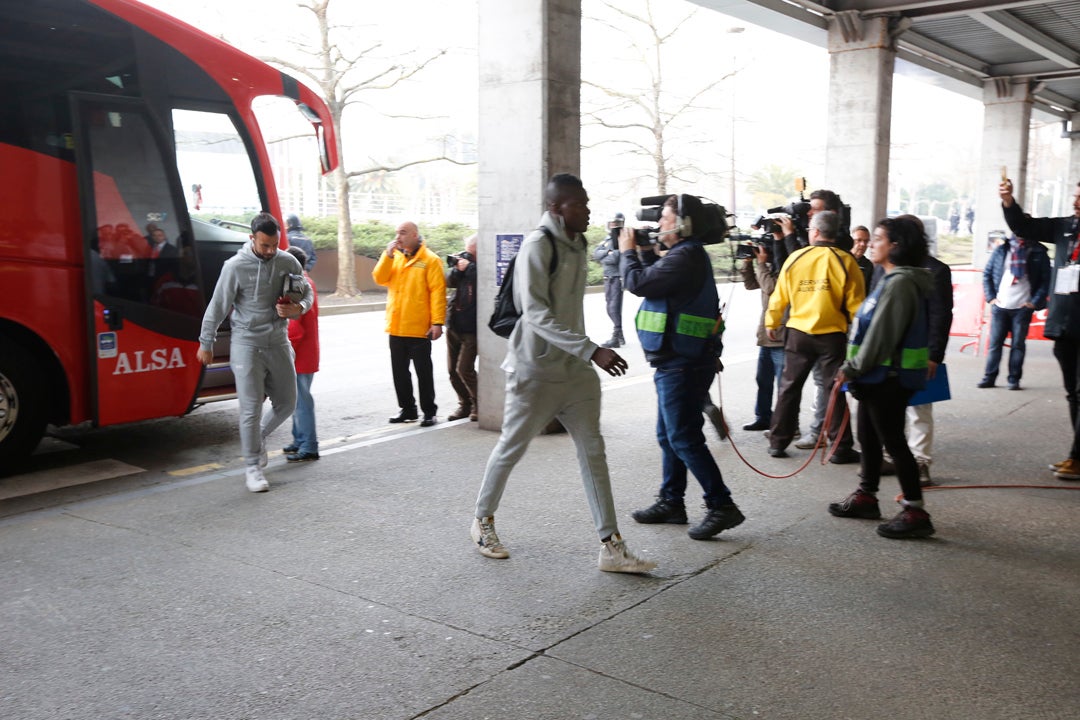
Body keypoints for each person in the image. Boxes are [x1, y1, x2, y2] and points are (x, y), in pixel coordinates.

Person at [470, 173, 657, 574]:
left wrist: (584, 354)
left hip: (575, 372)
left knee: (594, 452)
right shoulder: (538, 245)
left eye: (588, 203)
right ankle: (482, 520)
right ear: (556, 207)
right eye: (580, 204)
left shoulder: (578, 242)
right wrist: (593, 350)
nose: (588, 210)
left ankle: (612, 546)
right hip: (535, 370)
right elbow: (535, 313)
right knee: (512, 448)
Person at [620, 195, 746, 540]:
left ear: (684, 224)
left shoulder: (686, 255)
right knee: (669, 435)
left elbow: (638, 283)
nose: (659, 223)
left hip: (682, 363)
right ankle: (671, 501)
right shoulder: (682, 256)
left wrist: (628, 251)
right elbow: (655, 280)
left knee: (683, 436)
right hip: (678, 360)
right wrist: (645, 252)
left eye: (665, 217)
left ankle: (721, 505)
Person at [829, 216, 935, 539]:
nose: (871, 244)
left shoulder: (901, 283)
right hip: (876, 376)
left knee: (893, 441)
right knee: (869, 436)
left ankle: (915, 511)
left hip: (887, 377)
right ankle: (866, 496)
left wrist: (853, 367)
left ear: (896, 246)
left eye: (877, 239)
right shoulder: (887, 278)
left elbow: (881, 335)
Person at [197, 212, 313, 493]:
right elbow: (218, 305)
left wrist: (299, 308)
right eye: (265, 245)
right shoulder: (235, 266)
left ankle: (256, 438)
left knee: (287, 402)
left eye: (274, 245)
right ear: (252, 239)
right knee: (250, 408)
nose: (271, 251)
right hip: (246, 344)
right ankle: (253, 467)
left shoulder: (288, 261)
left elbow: (306, 292)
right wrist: (206, 342)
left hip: (278, 342)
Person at [765, 210, 865, 462]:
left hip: (798, 333)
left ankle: (778, 443)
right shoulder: (846, 261)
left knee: (789, 388)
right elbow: (857, 305)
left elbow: (780, 295)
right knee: (835, 390)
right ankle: (840, 448)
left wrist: (772, 320)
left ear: (817, 232)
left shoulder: (796, 258)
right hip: (832, 336)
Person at [998, 178, 1080, 479]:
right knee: (1073, 393)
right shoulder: (1064, 227)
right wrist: (1008, 201)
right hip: (1063, 324)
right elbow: (1024, 227)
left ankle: (1076, 457)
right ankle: (1077, 455)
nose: (1076, 202)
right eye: (1075, 196)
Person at [872, 215, 956, 487]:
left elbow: (941, 315)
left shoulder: (935, 270)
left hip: (917, 354)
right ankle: (890, 456)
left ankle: (920, 461)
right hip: (885, 355)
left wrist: (934, 355)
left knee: (919, 409)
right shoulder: (883, 267)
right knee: (888, 412)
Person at [372, 220, 446, 427]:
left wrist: (438, 322)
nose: (398, 237)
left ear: (415, 235)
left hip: (419, 328)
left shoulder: (430, 260)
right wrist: (386, 256)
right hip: (396, 326)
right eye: (397, 233)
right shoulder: (393, 257)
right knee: (399, 372)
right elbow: (379, 278)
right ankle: (407, 409)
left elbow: (438, 293)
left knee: (424, 373)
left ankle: (429, 412)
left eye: (403, 233)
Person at [978, 233, 1050, 390]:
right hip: (1000, 306)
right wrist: (991, 298)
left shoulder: (1039, 252)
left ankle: (1014, 379)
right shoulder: (1002, 249)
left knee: (1018, 344)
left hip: (1023, 307)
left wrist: (1034, 303)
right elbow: (987, 274)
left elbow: (1046, 281)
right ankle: (989, 377)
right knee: (995, 344)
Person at [739, 240, 786, 433]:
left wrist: (761, 264)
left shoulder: (785, 270)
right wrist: (748, 262)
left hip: (781, 336)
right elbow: (750, 284)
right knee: (763, 380)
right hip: (766, 335)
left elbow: (771, 288)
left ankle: (786, 422)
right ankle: (763, 417)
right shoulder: (767, 269)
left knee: (783, 385)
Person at [283, 246, 320, 462]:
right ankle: (299, 440)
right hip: (307, 352)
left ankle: (308, 444)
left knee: (301, 401)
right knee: (299, 399)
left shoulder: (297, 287)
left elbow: (295, 329)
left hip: (299, 354)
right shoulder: (307, 283)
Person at [446, 234, 479, 421]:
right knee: (452, 370)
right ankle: (464, 405)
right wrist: (458, 269)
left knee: (464, 368)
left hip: (472, 327)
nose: (466, 255)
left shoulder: (483, 265)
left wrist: (471, 267)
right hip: (455, 324)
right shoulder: (464, 262)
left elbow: (487, 282)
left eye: (470, 252)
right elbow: (449, 281)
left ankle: (479, 404)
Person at [592, 212, 625, 348]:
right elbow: (595, 254)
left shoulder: (620, 239)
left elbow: (615, 258)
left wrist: (606, 256)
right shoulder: (607, 239)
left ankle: (616, 336)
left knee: (614, 308)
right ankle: (620, 334)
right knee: (609, 306)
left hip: (616, 277)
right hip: (608, 277)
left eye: (616, 223)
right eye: (612, 223)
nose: (613, 226)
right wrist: (607, 253)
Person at [851, 225, 874, 290]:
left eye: (866, 241)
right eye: (858, 240)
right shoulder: (842, 260)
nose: (863, 244)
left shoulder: (868, 265)